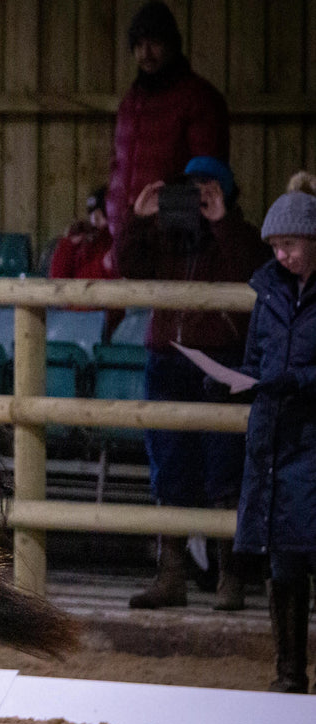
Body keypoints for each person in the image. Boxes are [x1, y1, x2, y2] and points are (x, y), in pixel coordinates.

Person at [113, 156, 269, 611]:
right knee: (170, 467)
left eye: (209, 189)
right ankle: (171, 576)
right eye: (191, 188)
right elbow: (129, 265)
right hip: (167, 358)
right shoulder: (166, 232)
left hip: (221, 360)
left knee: (226, 470)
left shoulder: (241, 236)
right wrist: (138, 219)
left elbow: (256, 274)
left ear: (226, 194)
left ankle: (231, 579)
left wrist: (222, 225)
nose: (198, 197)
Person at [231, 172, 316, 691]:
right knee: (282, 558)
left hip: (310, 436)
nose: (281, 255)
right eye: (277, 247)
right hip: (275, 441)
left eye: (289, 246)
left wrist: (298, 381)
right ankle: (288, 674)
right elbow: (254, 356)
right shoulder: (268, 293)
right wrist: (240, 382)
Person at [106, 1, 229, 244]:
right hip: (124, 235)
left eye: (154, 42)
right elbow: (117, 167)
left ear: (172, 44)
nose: (146, 53)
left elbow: (206, 176)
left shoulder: (198, 98)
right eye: (139, 45)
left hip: (173, 242)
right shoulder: (130, 102)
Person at [48, 184, 121, 340]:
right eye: (93, 213)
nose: (95, 218)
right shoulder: (85, 243)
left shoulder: (118, 243)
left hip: (101, 323)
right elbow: (58, 280)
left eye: (101, 212)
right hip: (74, 320)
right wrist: (69, 244)